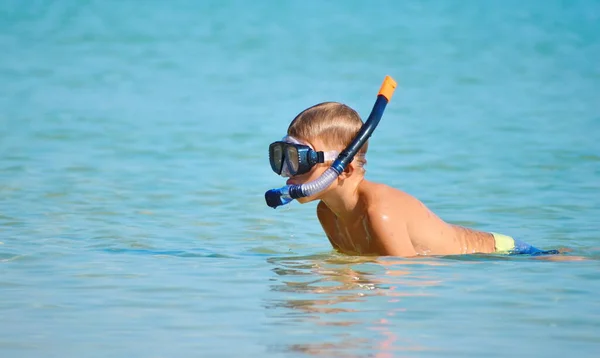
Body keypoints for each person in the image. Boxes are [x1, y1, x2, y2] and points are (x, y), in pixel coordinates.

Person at [267, 100, 559, 257]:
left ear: (344, 169)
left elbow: (405, 284)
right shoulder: (327, 212)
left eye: (299, 160)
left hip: (507, 253)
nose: (289, 173)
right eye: (283, 158)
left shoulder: (379, 211)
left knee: (565, 263)